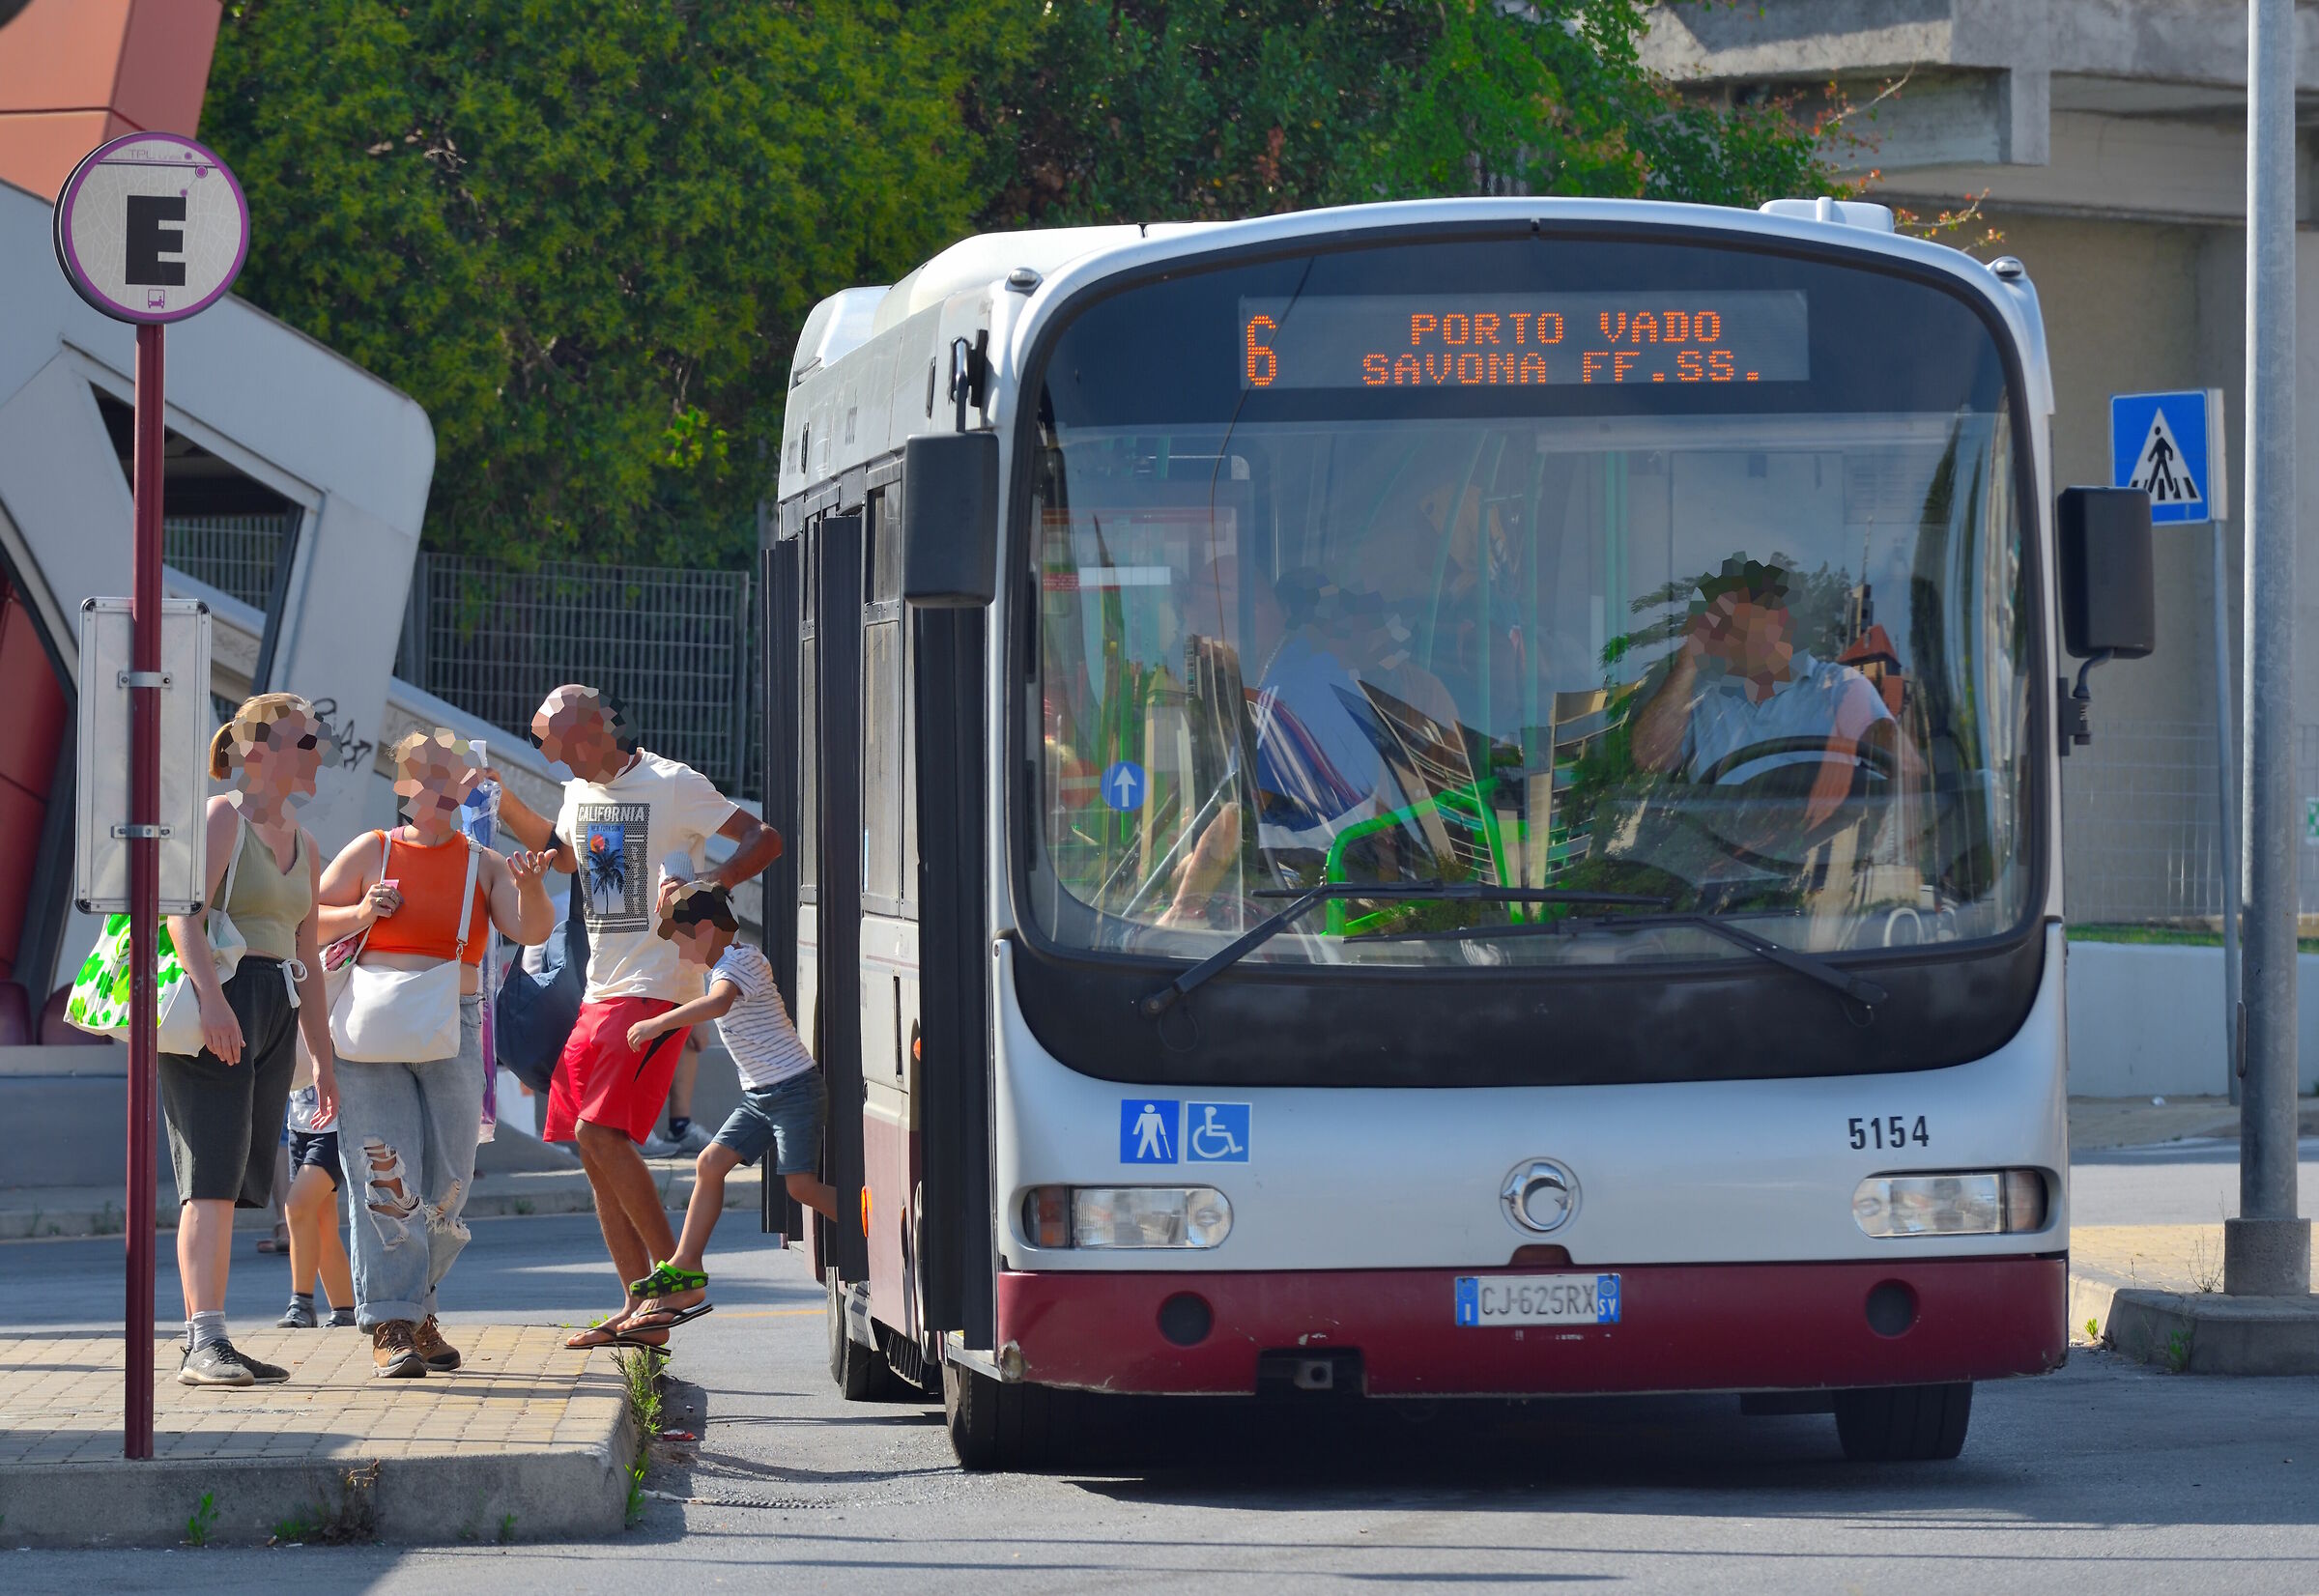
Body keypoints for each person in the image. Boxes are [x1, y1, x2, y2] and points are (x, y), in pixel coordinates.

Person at [487, 685, 784, 1349]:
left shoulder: (673, 783)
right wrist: (502, 799)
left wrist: (710, 891)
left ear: (593, 730)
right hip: (598, 987)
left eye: (554, 742)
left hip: (658, 984)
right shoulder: (578, 794)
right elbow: (564, 855)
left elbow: (764, 840)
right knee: (591, 1149)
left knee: (599, 1131)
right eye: (543, 746)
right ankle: (638, 1309)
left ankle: (678, 1277)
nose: (551, 755)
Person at [316, 729, 554, 1378]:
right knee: (382, 1171)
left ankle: (417, 1308)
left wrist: (531, 886)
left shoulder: (485, 862)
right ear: (404, 787)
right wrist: (362, 910)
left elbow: (530, 929)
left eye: (457, 779)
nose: (446, 792)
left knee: (449, 1182)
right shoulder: (373, 850)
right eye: (430, 779)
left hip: (453, 1021)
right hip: (370, 1026)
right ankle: (392, 1324)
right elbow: (307, 919)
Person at [163, 694, 340, 1387]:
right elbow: (184, 917)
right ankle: (201, 1343)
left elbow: (311, 957)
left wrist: (323, 1061)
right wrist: (212, 1000)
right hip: (221, 1002)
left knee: (236, 1183)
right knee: (208, 1180)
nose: (319, 754)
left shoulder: (305, 840)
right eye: (307, 742)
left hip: (275, 1007)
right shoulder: (222, 819)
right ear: (262, 752)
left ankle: (216, 1340)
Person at [617, 884, 837, 1341]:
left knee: (800, 1186)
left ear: (704, 929)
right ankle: (686, 1265)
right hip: (760, 1095)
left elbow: (718, 1003)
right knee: (709, 1163)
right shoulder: (721, 965)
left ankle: (863, 1229)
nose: (681, 954)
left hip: (793, 1088)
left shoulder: (744, 961)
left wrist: (661, 1022)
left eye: (681, 942)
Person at [1629, 556, 1897, 830]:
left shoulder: (1837, 686)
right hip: (1725, 857)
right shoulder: (1699, 705)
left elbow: (1901, 768)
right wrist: (1688, 661)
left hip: (1826, 856)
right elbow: (1651, 758)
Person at [276, 1039, 355, 1328]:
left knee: (297, 1206)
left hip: (334, 1124)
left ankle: (302, 1303)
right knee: (321, 1220)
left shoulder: (327, 992)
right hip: (300, 1122)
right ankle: (345, 1310)